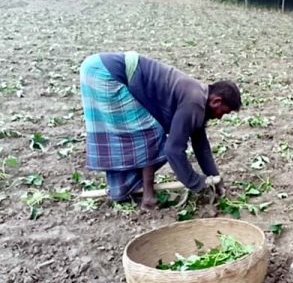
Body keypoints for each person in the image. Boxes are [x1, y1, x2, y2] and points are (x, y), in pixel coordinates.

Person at [79, 51, 241, 210]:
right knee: (153, 133)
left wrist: (215, 178)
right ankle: (148, 197)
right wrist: (196, 183)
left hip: (96, 68)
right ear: (216, 101)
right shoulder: (194, 103)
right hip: (105, 74)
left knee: (140, 133)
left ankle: (123, 188)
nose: (220, 118)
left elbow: (201, 145)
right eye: (224, 112)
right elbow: (173, 150)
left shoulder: (199, 98)